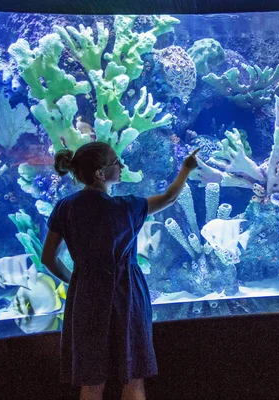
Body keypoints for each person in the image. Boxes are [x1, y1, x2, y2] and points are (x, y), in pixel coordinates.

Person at [41, 142, 199, 400]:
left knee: (91, 380)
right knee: (133, 375)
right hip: (128, 294)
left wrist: (75, 281)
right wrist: (185, 169)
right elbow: (169, 197)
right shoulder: (127, 207)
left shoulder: (65, 207)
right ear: (101, 174)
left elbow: (48, 258)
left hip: (87, 296)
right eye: (116, 162)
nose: (122, 165)